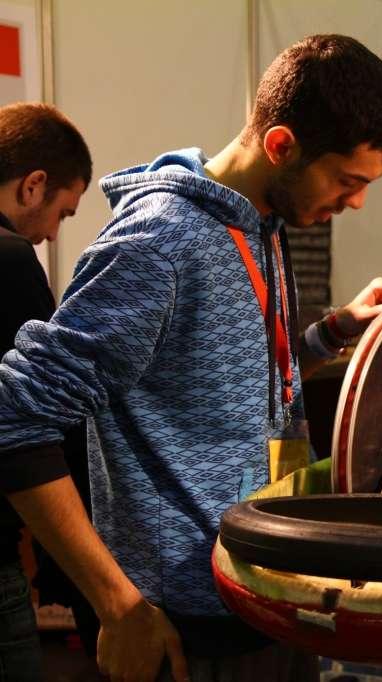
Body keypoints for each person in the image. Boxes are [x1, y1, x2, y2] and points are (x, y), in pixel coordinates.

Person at [0, 35, 382, 682]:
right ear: (281, 146)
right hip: (191, 628)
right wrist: (118, 606)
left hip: (266, 595)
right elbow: (16, 417)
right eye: (347, 180)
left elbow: (231, 388)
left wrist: (330, 335)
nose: (356, 201)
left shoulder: (262, 225)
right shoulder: (158, 242)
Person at [0, 102, 93, 681]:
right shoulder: (10, 257)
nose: (53, 234)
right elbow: (48, 418)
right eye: (62, 212)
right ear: (33, 185)